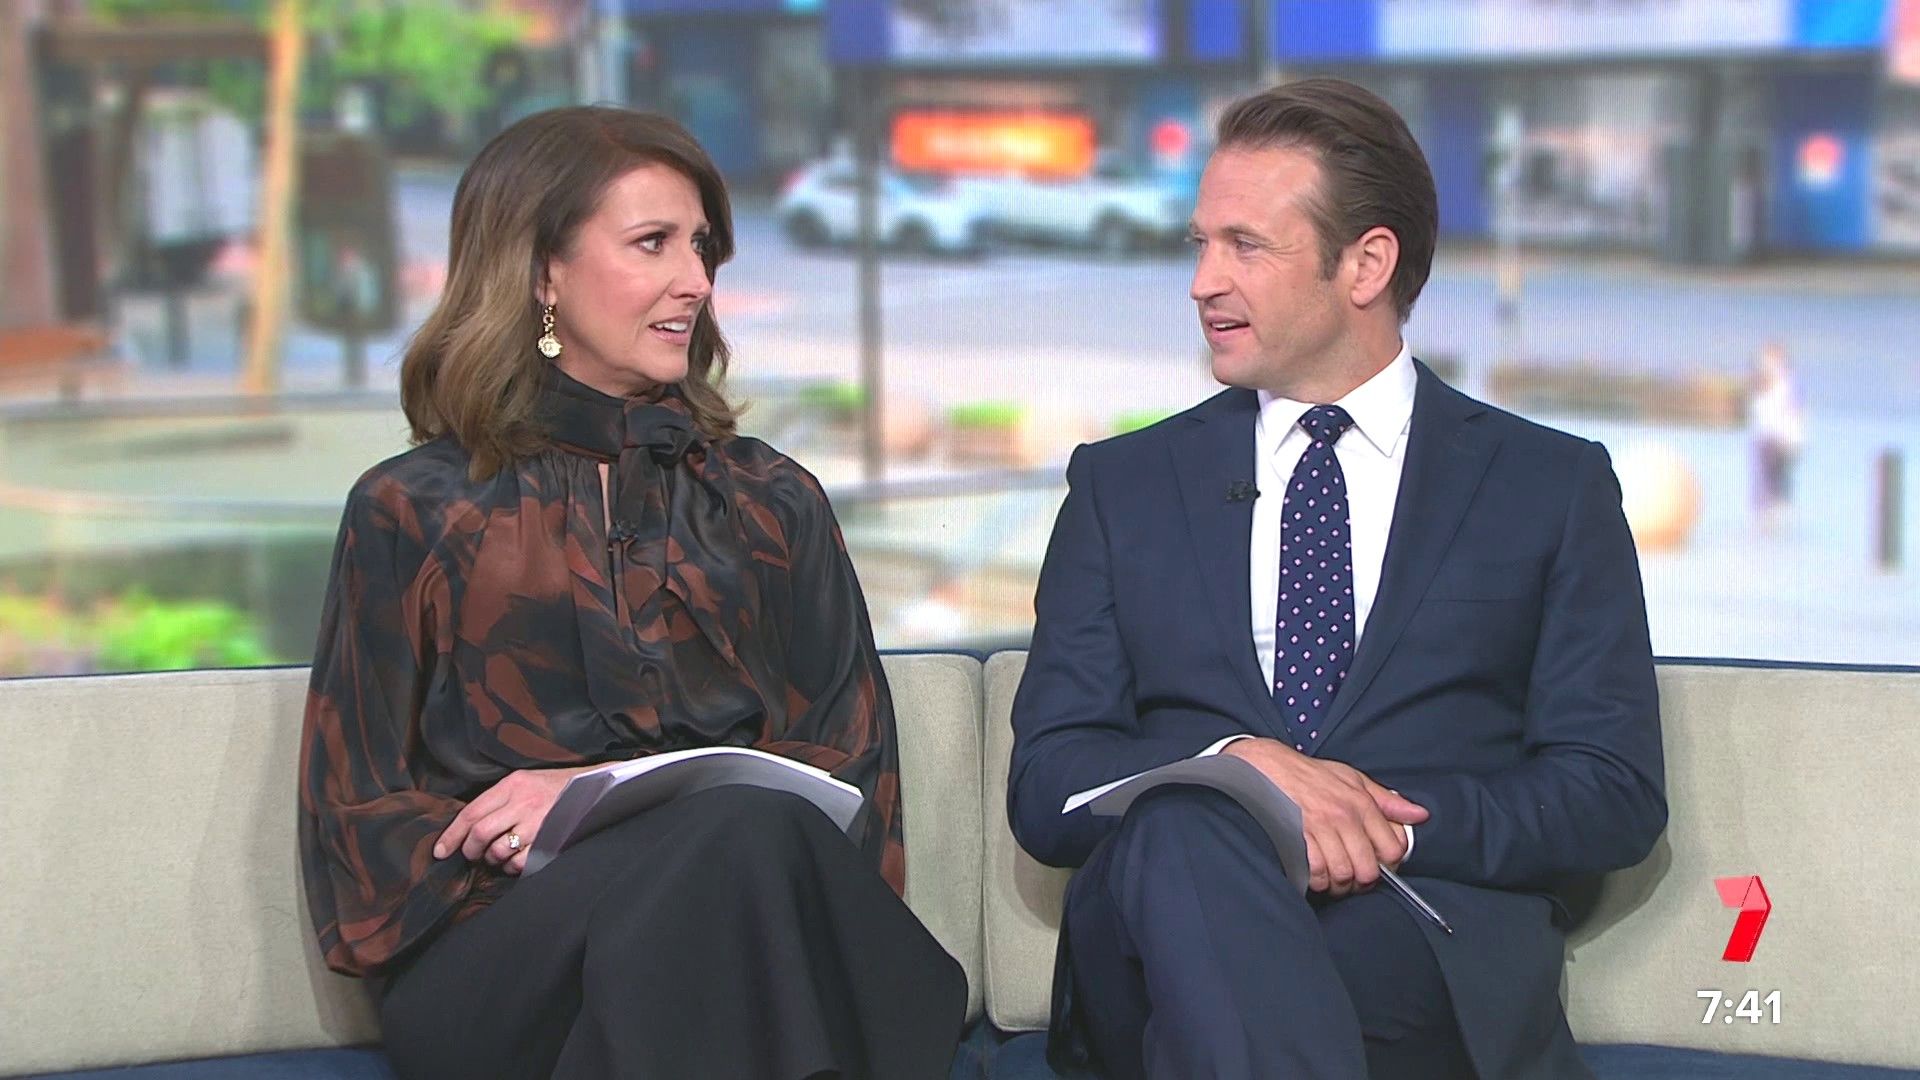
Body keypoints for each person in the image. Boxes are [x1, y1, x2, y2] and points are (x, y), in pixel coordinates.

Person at [1008, 79, 1667, 1080]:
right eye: (1200, 244)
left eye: (1246, 246)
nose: (1203, 282)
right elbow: (1048, 783)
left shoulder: (1548, 485)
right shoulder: (1123, 485)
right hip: (1157, 940)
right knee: (1188, 823)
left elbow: (1610, 791)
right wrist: (1240, 769)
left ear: (1366, 264)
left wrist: (1377, 823)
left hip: (1414, 938)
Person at [297, 106, 966, 1080]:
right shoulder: (411, 508)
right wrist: (552, 838)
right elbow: (354, 814)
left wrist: (593, 801)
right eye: (653, 243)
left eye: (701, 247)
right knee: (733, 843)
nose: (696, 280)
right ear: (542, 273)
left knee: (738, 849)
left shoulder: (772, 499)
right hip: (505, 956)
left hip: (753, 925)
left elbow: (857, 778)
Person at [1749, 341, 1805, 533]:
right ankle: (1765, 515)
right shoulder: (1762, 381)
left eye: (1771, 360)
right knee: (1764, 478)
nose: (1766, 364)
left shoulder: (1788, 383)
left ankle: (1775, 515)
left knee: (1777, 477)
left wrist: (1794, 439)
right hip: (1764, 435)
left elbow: (1795, 412)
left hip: (1780, 437)